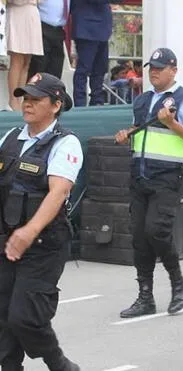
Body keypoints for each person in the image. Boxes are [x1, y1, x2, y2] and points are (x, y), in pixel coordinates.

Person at [0, 73, 81, 371]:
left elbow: (58, 192)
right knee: (2, 318)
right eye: (25, 98)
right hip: (6, 240)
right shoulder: (10, 138)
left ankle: (58, 363)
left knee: (25, 316)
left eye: (36, 99)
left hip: (44, 244)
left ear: (56, 105)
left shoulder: (66, 143)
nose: (28, 104)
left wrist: (29, 230)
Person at [114, 48, 183, 319]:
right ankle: (145, 295)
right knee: (139, 236)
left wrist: (171, 122)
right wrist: (127, 136)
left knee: (156, 231)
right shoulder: (142, 100)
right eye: (151, 68)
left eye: (160, 67)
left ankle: (177, 282)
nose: (154, 72)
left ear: (174, 70)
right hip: (140, 173)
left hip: (169, 174)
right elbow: (140, 134)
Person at [71, 0, 117, 106]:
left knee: (100, 68)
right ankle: (80, 104)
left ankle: (97, 101)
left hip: (103, 28)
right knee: (83, 69)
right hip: (87, 27)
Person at [6, 0, 43, 111]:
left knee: (26, 63)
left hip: (32, 14)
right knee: (17, 60)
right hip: (18, 13)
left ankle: (20, 97)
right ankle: (13, 99)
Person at [28, 0, 69, 79]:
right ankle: (34, 90)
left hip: (59, 30)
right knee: (39, 67)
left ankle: (50, 90)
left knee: (56, 69)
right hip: (41, 26)